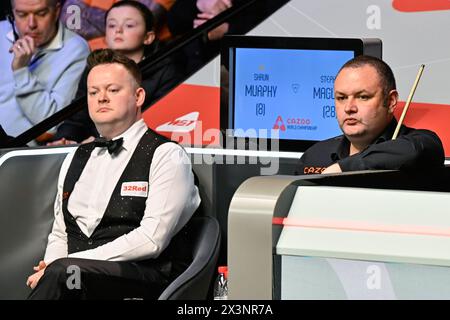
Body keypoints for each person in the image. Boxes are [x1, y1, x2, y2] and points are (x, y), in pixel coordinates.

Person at [26, 48, 200, 299]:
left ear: (138, 96)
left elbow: (152, 239)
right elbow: (61, 231)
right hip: (76, 276)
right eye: (94, 92)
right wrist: (51, 264)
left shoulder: (166, 155)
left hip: (143, 277)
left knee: (66, 273)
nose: (102, 98)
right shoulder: (76, 156)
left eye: (113, 90)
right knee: (64, 274)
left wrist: (65, 263)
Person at [50, 0, 180, 144]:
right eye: (112, 25)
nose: (118, 30)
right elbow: (77, 118)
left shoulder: (165, 70)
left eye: (129, 25)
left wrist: (101, 142)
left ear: (148, 37)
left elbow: (161, 124)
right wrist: (65, 140)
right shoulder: (94, 68)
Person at [295, 55, 445, 175]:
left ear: (391, 101)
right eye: (341, 98)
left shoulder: (422, 145)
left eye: (363, 97)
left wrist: (343, 168)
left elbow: (419, 150)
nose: (349, 108)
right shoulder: (315, 156)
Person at [0, 0, 89, 138]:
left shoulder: (76, 49)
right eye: (22, 14)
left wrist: (21, 72)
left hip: (22, 152)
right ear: (12, 13)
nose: (31, 24)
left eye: (41, 14)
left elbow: (52, 126)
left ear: (56, 11)